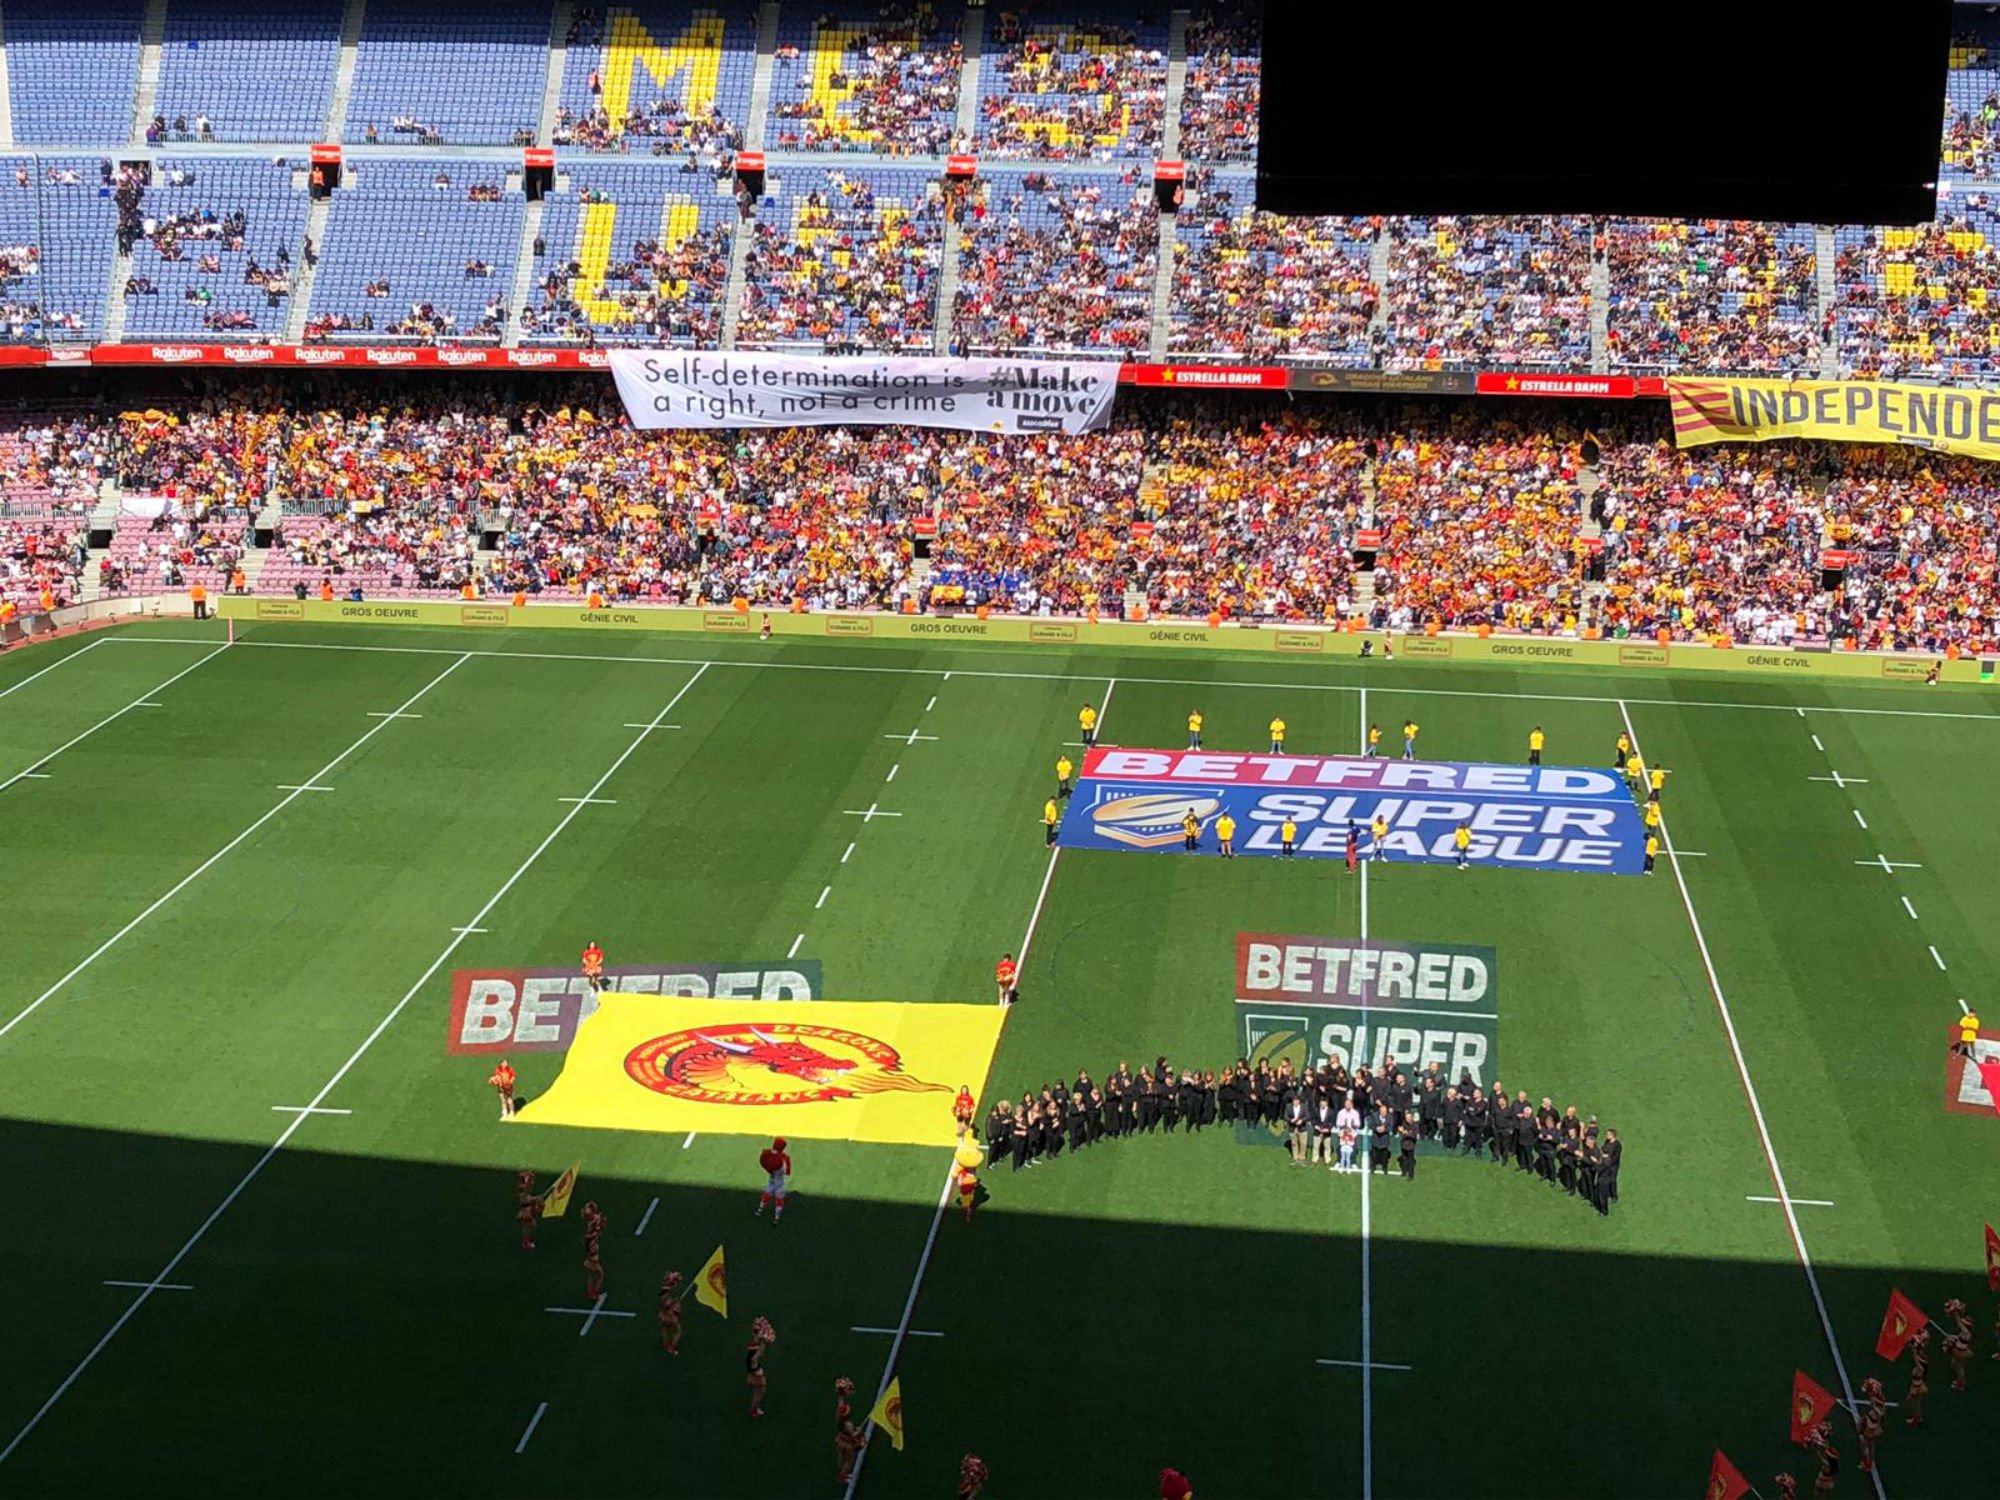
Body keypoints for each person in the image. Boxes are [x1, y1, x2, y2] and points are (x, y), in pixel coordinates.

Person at [834, 1377, 866, 1480]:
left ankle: (841, 1470)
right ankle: (844, 1476)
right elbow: (853, 1436)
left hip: (840, 1439)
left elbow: (840, 1400)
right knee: (848, 1461)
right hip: (847, 1443)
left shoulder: (839, 1415)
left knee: (841, 1458)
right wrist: (859, 1431)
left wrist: (841, 1392)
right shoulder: (848, 1424)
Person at [746, 1316, 776, 1417]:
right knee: (759, 1394)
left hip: (752, 1375)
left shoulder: (753, 1343)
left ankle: (755, 1408)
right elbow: (756, 1357)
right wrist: (764, 1343)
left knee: (757, 1393)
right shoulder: (755, 1348)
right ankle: (753, 1410)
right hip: (756, 1376)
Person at [756, 1137, 791, 1221]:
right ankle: (776, 1217)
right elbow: (788, 1172)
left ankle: (760, 1210)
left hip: (771, 1180)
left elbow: (763, 1160)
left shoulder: (768, 1153)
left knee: (767, 1194)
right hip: (780, 1182)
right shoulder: (784, 1158)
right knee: (779, 1199)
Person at [1857, 1376, 1885, 1473]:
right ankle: (1870, 1463)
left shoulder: (1874, 1399)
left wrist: (1873, 1409)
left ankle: (1867, 1464)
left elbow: (1879, 1412)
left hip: (1871, 1424)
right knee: (1872, 1445)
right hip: (1874, 1422)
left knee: (1864, 1444)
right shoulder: (1880, 1397)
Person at [1905, 1325, 1931, 1425]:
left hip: (1917, 1386)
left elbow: (1916, 1360)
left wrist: (1914, 1350)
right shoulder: (1922, 1358)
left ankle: (1916, 1418)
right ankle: (1917, 1417)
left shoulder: (1920, 1366)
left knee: (1915, 1404)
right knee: (1916, 1403)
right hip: (1917, 1385)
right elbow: (1917, 1357)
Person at [659, 1270, 685, 1354]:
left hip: (664, 1315)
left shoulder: (664, 1292)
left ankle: (665, 1345)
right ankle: (671, 1347)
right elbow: (667, 1305)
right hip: (670, 1316)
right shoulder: (666, 1294)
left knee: (665, 1329)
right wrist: (675, 1304)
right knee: (678, 1331)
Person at [1596, 1128, 1621, 1212]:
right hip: (1606, 1164)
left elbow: (1616, 1157)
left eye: (1608, 1134)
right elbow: (1603, 1148)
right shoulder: (1607, 1142)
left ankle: (1614, 1196)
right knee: (1607, 1180)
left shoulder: (1617, 1145)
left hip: (1613, 1166)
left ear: (1613, 1135)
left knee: (1612, 1180)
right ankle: (1607, 1193)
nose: (1606, 1136)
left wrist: (1608, 1159)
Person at [516, 1168, 540, 1250]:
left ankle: (527, 1241)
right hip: (526, 1212)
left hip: (528, 1211)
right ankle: (526, 1242)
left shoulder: (524, 1190)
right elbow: (525, 1199)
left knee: (529, 1227)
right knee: (527, 1228)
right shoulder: (523, 1190)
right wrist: (535, 1199)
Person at [1336, 1096, 1361, 1172]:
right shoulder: (1341, 1112)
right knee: (1341, 1148)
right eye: (1346, 1104)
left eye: (1348, 1104)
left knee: (1352, 1149)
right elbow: (1337, 1123)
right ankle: (1340, 1162)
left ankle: (1353, 1163)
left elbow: (1358, 1124)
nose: (1347, 1105)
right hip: (1343, 1133)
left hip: (1352, 1133)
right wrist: (1343, 1124)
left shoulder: (1355, 1113)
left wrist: (1354, 1124)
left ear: (1351, 1104)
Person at [1286, 1088, 1310, 1163]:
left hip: (1302, 1128)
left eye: (1297, 1100)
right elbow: (1285, 1116)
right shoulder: (1288, 1106)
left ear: (1299, 1101)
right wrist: (1290, 1120)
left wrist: (1302, 1120)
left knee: (1303, 1143)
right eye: (1294, 1101)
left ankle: (1302, 1157)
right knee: (1294, 1143)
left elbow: (1308, 1116)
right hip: (1292, 1128)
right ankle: (1295, 1156)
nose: (1295, 1102)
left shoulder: (1304, 1106)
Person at [1398, 1110, 1418, 1180]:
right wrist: (1400, 1131)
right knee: (1404, 1160)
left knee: (1410, 1161)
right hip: (1403, 1145)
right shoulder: (1404, 1123)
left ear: (1412, 1118)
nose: (1407, 1120)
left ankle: (1411, 1175)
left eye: (1408, 1118)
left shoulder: (1415, 1126)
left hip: (1410, 1146)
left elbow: (1414, 1136)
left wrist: (1406, 1133)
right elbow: (1401, 1132)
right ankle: (1404, 1172)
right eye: (1406, 1118)